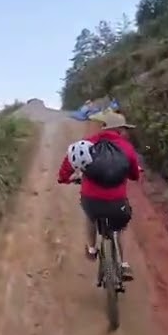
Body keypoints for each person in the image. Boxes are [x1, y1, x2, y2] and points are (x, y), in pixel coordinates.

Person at [57, 112, 142, 279]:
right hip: (117, 202)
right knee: (119, 227)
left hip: (92, 201)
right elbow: (134, 175)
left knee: (90, 217)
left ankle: (91, 249)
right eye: (124, 129)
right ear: (119, 129)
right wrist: (132, 174)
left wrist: (65, 179)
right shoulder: (126, 147)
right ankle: (123, 264)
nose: (125, 132)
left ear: (104, 127)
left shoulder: (87, 143)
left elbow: (68, 164)